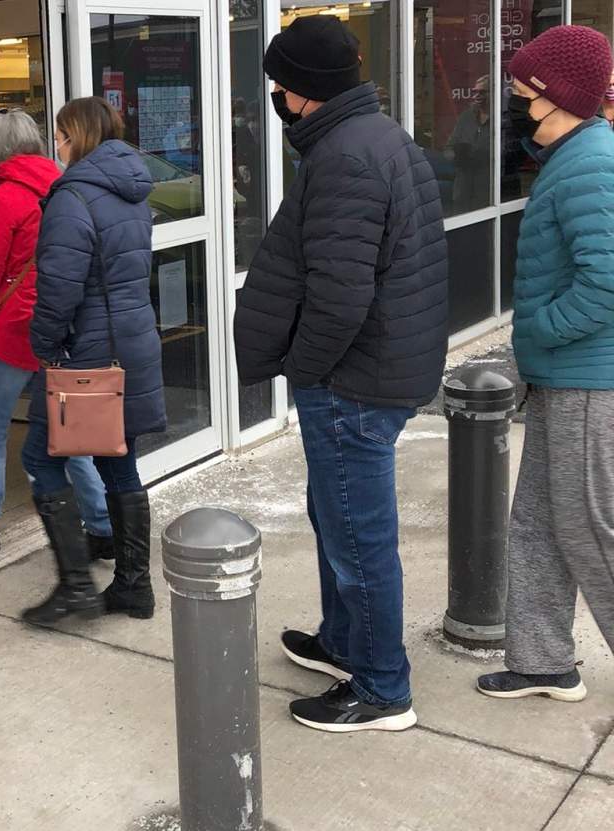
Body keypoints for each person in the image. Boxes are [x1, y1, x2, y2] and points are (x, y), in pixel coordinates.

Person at [233, 16, 448, 733]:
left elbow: (341, 293)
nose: (273, 93)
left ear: (304, 89)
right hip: (371, 369)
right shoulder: (375, 136)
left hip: (353, 380)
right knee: (336, 517)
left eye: (278, 82)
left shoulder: (346, 157)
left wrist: (306, 369)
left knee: (358, 536)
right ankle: (344, 644)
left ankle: (384, 688)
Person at [475, 26, 614, 704]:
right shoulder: (569, 154)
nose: (513, 98)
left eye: (522, 89)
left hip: (589, 379)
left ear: (554, 94)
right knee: (536, 522)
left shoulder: (594, 161)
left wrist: (540, 333)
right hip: (562, 376)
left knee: (591, 528)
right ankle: (542, 659)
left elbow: (607, 281)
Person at [0, 109, 114, 558]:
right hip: (61, 327)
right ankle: (102, 526)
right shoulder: (65, 188)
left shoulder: (1, 200)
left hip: (13, 334)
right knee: (71, 434)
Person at [19, 97, 165, 625]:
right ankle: (134, 586)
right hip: (131, 340)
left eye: (58, 136)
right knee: (118, 459)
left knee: (40, 458)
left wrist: (43, 346)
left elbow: (59, 289)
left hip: (89, 352)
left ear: (74, 136)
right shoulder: (129, 189)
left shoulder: (72, 197)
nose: (55, 146)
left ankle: (77, 586)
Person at [447, 75, 492, 213]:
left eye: (482, 92)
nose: (477, 96)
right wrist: (456, 156)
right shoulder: (466, 117)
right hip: (463, 190)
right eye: (475, 92)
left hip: (490, 194)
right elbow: (448, 147)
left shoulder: (502, 118)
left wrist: (480, 156)